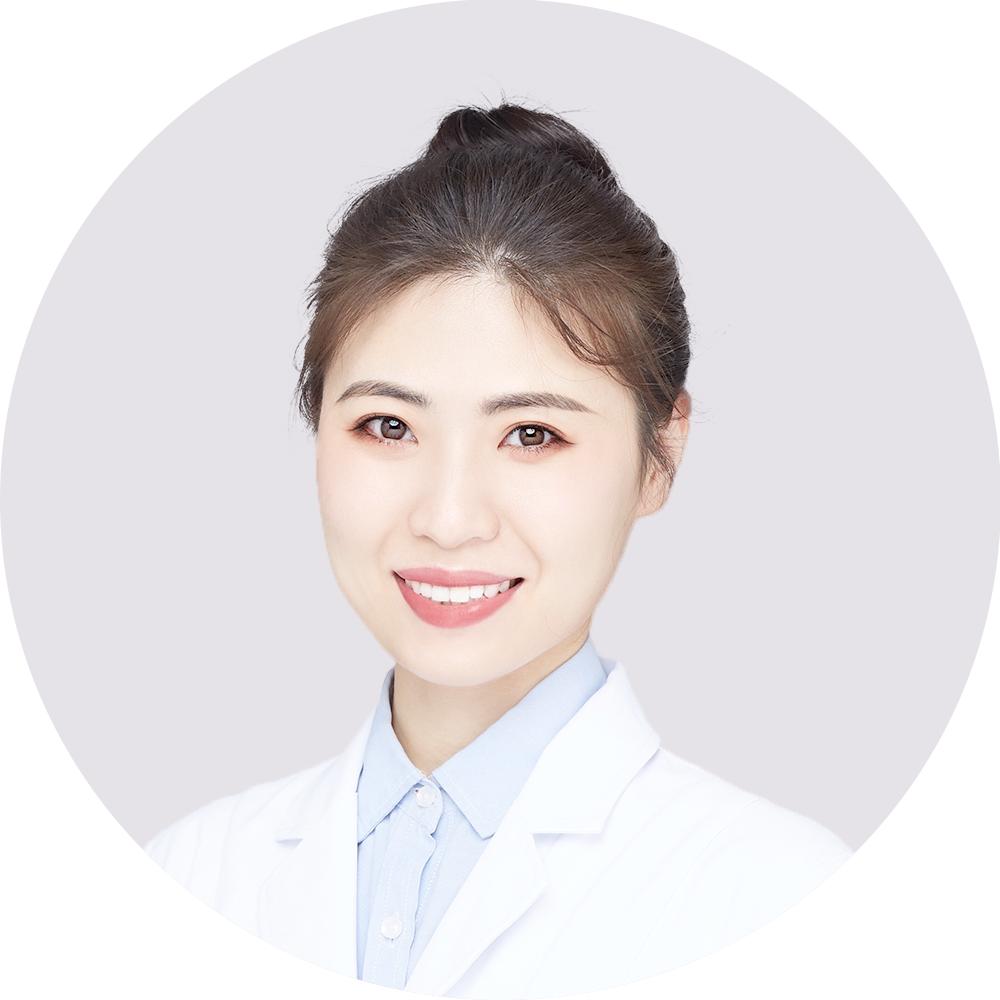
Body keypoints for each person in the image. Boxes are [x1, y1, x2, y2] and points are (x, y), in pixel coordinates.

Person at [144, 102, 852, 998]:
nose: (448, 519)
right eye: (388, 425)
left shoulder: (783, 899)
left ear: (660, 455)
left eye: (531, 435)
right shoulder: (188, 878)